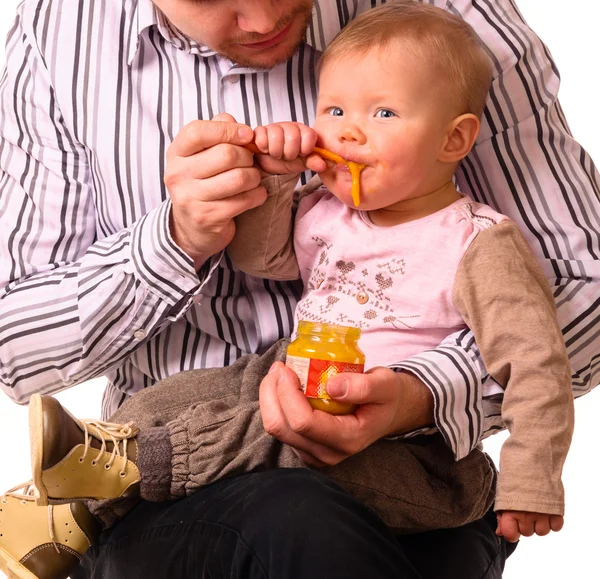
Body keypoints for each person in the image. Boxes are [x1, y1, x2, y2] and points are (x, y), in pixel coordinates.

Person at [0, 0, 597, 578]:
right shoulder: (332, 213)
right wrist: (189, 231)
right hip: (268, 393)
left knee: (290, 483)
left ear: (454, 139)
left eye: (383, 114)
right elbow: (266, 257)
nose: (262, 20)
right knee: (188, 396)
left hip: (405, 460)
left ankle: (112, 482)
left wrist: (448, 413)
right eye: (333, 111)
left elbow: (547, 346)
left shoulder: (476, 242)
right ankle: (96, 471)